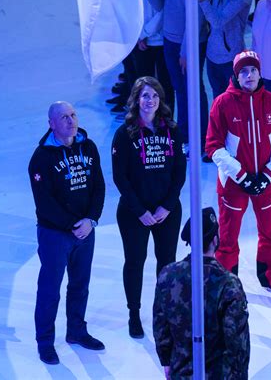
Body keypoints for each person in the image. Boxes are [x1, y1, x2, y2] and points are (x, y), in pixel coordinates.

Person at [205, 50, 271, 298]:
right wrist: (241, 175)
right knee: (228, 236)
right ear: (236, 75)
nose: (249, 75)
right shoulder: (222, 103)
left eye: (253, 70)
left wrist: (266, 175)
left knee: (269, 232)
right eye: (243, 71)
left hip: (266, 183)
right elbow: (213, 146)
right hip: (234, 185)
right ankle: (225, 282)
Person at [28, 101, 105, 365]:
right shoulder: (41, 158)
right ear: (51, 123)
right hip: (55, 235)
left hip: (85, 231)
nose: (71, 121)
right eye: (63, 117)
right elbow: (45, 203)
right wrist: (75, 224)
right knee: (50, 290)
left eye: (73, 115)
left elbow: (99, 187)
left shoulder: (89, 146)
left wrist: (91, 220)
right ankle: (45, 342)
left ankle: (76, 331)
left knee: (80, 285)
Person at [111, 76, 186, 338]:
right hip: (134, 213)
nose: (150, 100)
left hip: (166, 211)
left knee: (167, 264)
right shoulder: (124, 134)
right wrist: (140, 211)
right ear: (136, 99)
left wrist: (167, 205)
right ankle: (134, 314)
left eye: (154, 95)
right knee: (135, 262)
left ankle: (163, 313)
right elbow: (120, 177)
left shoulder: (173, 130)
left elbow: (179, 172)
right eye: (145, 95)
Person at [153, 207, 250, 379]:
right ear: (215, 240)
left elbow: (161, 325)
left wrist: (166, 362)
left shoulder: (168, 274)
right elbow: (236, 342)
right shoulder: (228, 283)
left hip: (180, 370)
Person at [146, 0, 210, 155]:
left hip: (189, 44)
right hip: (170, 41)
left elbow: (197, 19)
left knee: (193, 90)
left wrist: (185, 51)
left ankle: (200, 139)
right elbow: (161, 4)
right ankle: (184, 136)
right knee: (180, 90)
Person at [199, 0, 253, 99]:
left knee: (233, 103)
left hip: (230, 57)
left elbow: (217, 21)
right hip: (212, 54)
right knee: (218, 101)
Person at [132, 0, 174, 111]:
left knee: (164, 86)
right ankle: (142, 121)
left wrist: (144, 33)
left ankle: (166, 122)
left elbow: (163, 10)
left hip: (161, 40)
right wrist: (138, 34)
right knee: (141, 85)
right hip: (139, 39)